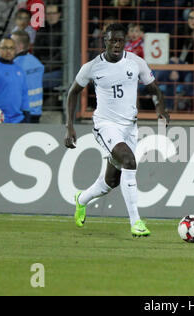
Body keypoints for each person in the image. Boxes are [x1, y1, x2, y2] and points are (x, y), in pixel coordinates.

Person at [64, 23, 170, 237]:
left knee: (111, 182)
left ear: (125, 42)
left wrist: (161, 108)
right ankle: (136, 222)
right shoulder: (92, 67)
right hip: (105, 125)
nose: (116, 44)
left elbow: (154, 88)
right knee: (129, 161)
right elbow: (73, 93)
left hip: (130, 127)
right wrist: (70, 126)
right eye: (112, 40)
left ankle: (81, 199)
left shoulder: (136, 62)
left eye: (120, 41)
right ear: (105, 41)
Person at [11, 30, 44, 123]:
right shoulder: (36, 63)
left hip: (21, 113)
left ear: (20, 46)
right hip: (36, 112)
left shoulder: (15, 65)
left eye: (11, 43)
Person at [34, 3, 62, 90]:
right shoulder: (41, 29)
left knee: (35, 81)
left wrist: (44, 68)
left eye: (54, 13)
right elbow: (36, 51)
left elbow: (61, 55)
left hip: (57, 69)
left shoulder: (64, 30)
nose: (51, 16)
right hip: (42, 68)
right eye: (49, 13)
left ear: (59, 14)